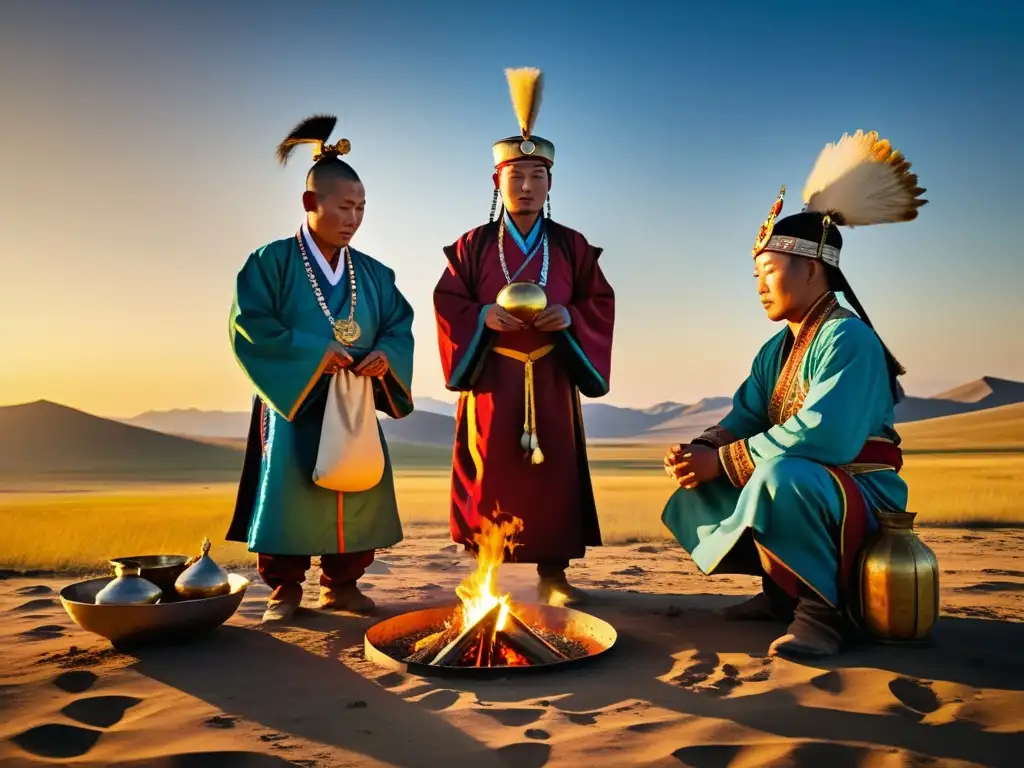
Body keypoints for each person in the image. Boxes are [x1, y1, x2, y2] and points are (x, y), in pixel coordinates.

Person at [661, 130, 928, 657]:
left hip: (858, 489)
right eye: (755, 275)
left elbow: (826, 435)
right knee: (704, 486)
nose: (759, 286)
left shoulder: (849, 337)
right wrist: (704, 450)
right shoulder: (774, 351)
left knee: (782, 476)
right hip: (811, 477)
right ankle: (779, 592)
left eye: (768, 272)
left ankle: (822, 613)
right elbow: (747, 414)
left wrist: (729, 461)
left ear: (810, 269)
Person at [433, 67, 615, 605]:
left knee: (553, 474)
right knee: (488, 469)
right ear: (497, 181)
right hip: (492, 375)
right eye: (518, 176)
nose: (528, 185)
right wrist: (483, 314)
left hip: (554, 373)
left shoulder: (572, 245)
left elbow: (598, 302)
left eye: (538, 175)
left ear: (551, 182)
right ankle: (483, 570)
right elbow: (448, 302)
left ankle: (554, 574)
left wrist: (570, 317)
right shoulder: (470, 245)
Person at [226, 115, 415, 623]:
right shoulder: (271, 262)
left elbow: (399, 323)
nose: (353, 219)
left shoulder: (375, 273)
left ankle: (343, 584)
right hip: (296, 397)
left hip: (354, 398)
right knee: (290, 487)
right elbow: (251, 325)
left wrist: (387, 357)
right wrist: (314, 351)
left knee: (356, 482)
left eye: (361, 208)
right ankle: (284, 590)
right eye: (343, 207)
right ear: (311, 204)